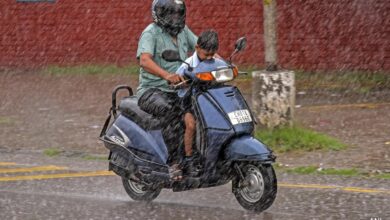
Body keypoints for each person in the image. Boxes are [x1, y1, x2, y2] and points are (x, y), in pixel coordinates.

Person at [136, 0, 198, 178]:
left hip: (179, 90)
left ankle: (192, 157)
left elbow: (201, 48)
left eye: (179, 13)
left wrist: (221, 64)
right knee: (171, 112)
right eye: (170, 13)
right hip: (152, 90)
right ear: (159, 14)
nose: (175, 18)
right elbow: (145, 60)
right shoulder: (150, 33)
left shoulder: (183, 31)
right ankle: (174, 163)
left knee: (200, 112)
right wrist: (167, 75)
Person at [175, 29, 219, 170]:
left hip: (208, 99)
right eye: (206, 54)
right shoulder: (187, 65)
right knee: (191, 124)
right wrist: (180, 82)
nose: (209, 58)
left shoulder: (215, 60)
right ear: (197, 48)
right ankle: (188, 158)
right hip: (188, 101)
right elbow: (176, 81)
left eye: (212, 54)